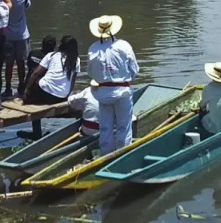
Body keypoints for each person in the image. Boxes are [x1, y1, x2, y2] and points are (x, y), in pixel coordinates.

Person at [87, 15, 139, 155]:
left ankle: (105, 154)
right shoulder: (124, 46)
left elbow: (91, 73)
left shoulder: (93, 49)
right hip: (122, 91)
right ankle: (123, 154)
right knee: (123, 127)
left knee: (105, 128)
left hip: (103, 93)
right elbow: (135, 70)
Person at [23, 35, 79, 105]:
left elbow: (36, 73)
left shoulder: (52, 55)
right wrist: (67, 95)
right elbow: (72, 81)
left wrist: (26, 89)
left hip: (45, 94)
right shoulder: (77, 60)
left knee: (34, 70)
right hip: (62, 97)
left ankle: (31, 98)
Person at [3, 0, 31, 98]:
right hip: (22, 35)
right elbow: (28, 5)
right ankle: (21, 87)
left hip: (7, 36)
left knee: (9, 64)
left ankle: (8, 88)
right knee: (21, 63)